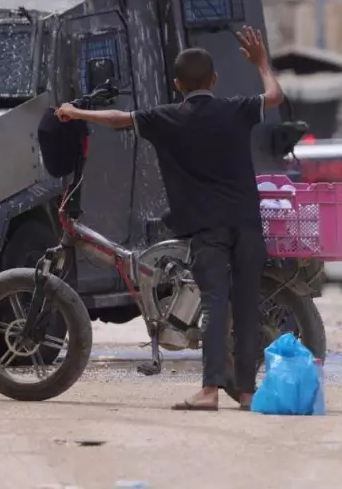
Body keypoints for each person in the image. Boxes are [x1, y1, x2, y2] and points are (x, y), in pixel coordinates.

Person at [55, 26, 284, 411]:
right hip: (246, 223)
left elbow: (118, 119)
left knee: (214, 304)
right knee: (246, 306)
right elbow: (275, 96)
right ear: (214, 80)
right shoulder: (236, 109)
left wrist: (76, 111)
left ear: (177, 85)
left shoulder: (167, 118)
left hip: (207, 228)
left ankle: (210, 391)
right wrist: (262, 63)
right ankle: (246, 392)